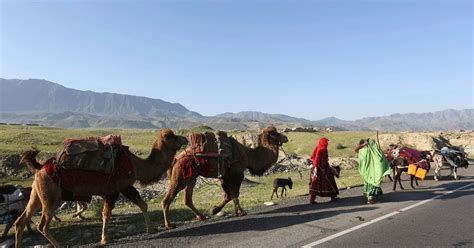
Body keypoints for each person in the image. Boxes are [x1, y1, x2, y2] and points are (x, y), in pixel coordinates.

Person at [355, 138, 391, 204]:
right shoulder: (363, 149)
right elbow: (356, 150)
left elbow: (381, 158)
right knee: (371, 182)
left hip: (372, 170)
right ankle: (370, 197)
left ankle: (370, 197)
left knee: (373, 182)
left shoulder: (375, 150)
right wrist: (363, 145)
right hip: (369, 170)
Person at [309, 137, 339, 204]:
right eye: (326, 142)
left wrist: (315, 164)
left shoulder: (317, 147)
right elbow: (323, 160)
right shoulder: (324, 149)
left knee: (315, 183)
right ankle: (333, 196)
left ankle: (312, 199)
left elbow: (313, 157)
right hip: (323, 168)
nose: (327, 143)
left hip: (315, 168)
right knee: (329, 180)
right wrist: (324, 167)